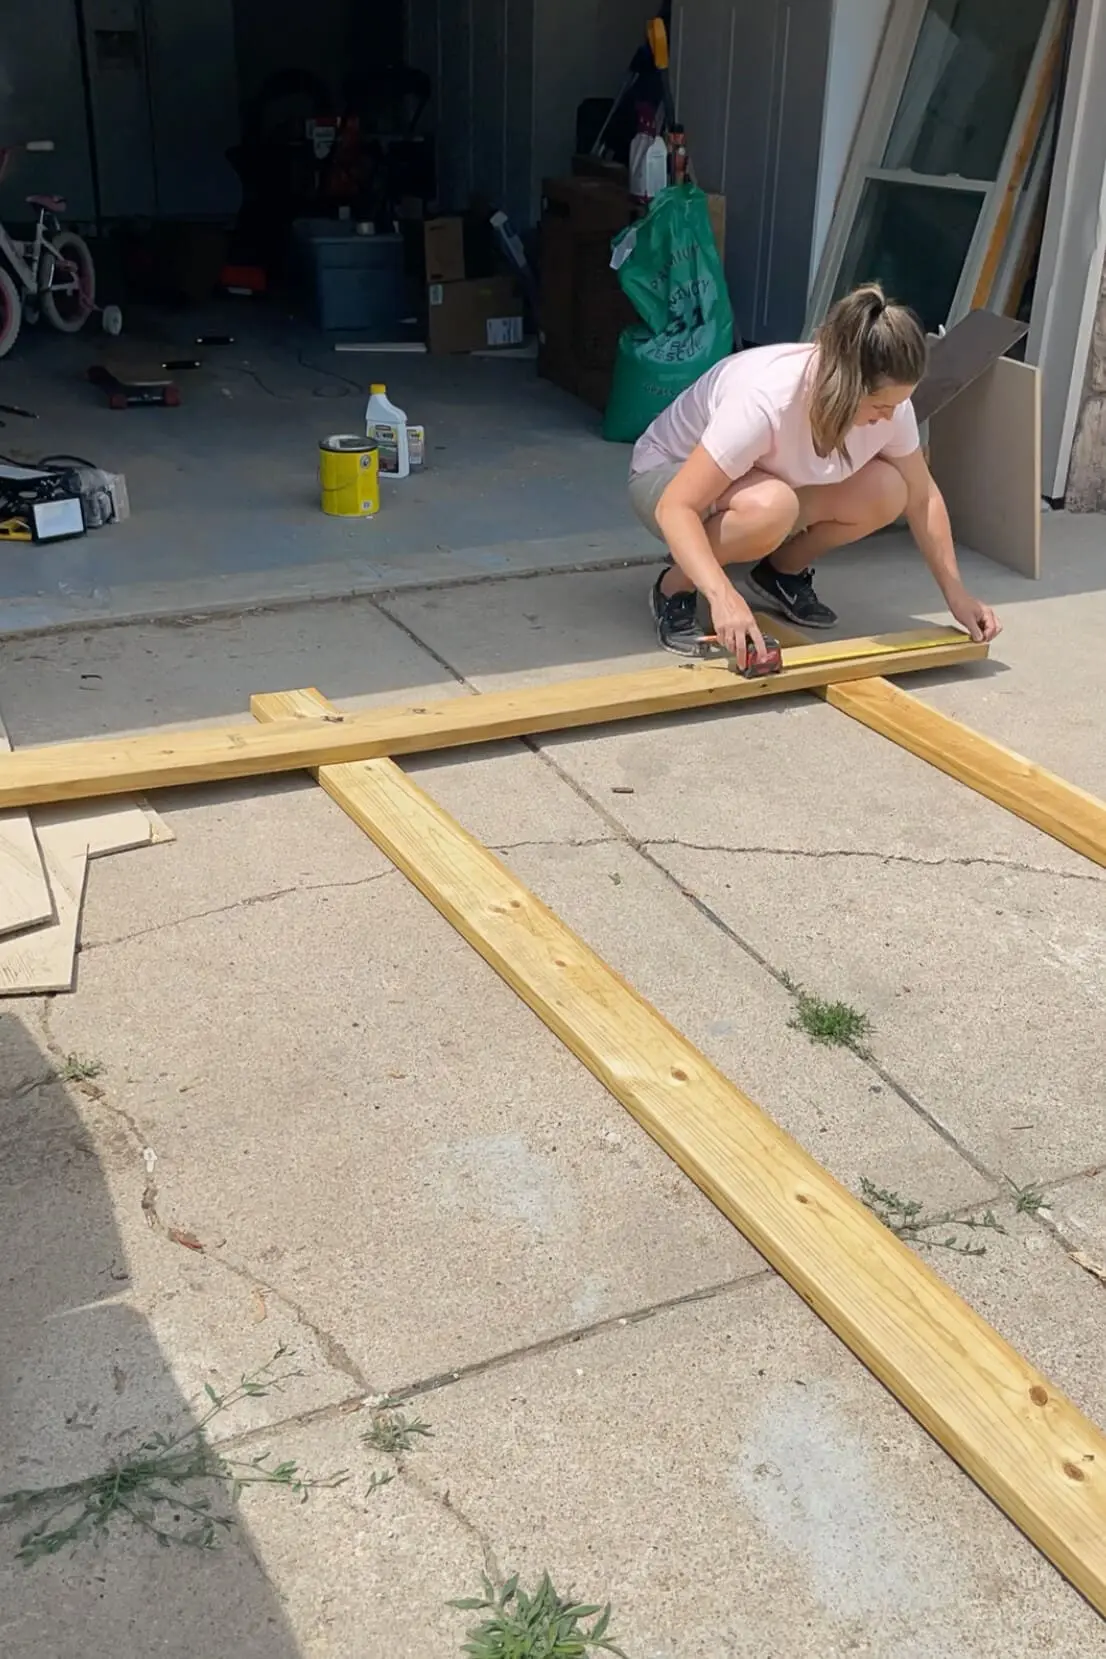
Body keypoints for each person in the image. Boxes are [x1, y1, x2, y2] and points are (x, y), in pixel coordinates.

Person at [628, 282, 1002, 667]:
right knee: (771, 507)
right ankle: (674, 588)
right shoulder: (766, 400)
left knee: (891, 488)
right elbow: (677, 506)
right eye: (879, 405)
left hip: (756, 482)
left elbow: (923, 497)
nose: (890, 416)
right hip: (666, 478)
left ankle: (778, 573)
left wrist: (957, 595)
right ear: (845, 384)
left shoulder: (890, 404)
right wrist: (723, 596)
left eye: (898, 404)